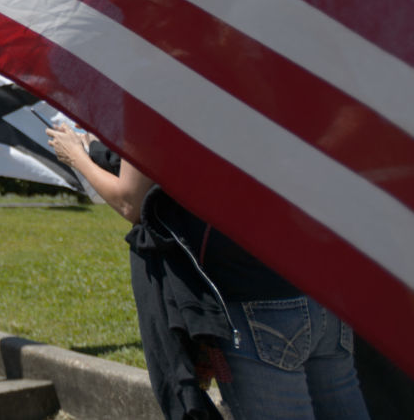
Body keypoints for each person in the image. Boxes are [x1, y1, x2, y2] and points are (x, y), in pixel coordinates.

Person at [50, 126, 369, 420]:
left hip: (252, 301)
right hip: (320, 290)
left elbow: (129, 201)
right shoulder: (257, 70)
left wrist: (75, 154)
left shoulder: (156, 85)